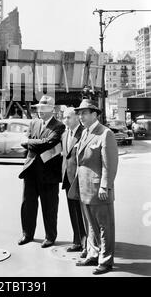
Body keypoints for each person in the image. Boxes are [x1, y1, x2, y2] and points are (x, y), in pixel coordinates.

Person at [68, 99, 118, 275]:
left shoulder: (105, 133)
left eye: (84, 113)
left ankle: (105, 261)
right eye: (79, 113)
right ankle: (93, 254)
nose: (80, 116)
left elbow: (109, 164)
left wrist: (105, 186)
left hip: (98, 189)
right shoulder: (85, 133)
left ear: (95, 114)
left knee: (104, 226)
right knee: (90, 225)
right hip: (84, 188)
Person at [18, 95, 65, 248]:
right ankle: (27, 234)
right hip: (31, 171)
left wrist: (29, 142)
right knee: (28, 205)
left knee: (49, 206)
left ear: (52, 109)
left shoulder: (59, 126)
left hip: (49, 174)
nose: (40, 111)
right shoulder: (34, 123)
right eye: (39, 108)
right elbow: (37, 143)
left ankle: (50, 237)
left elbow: (49, 143)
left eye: (44, 108)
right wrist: (33, 143)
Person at [62, 107, 87, 257]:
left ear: (77, 118)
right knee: (73, 211)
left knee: (83, 212)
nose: (65, 120)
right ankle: (77, 240)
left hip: (79, 179)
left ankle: (86, 243)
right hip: (67, 178)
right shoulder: (65, 134)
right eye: (64, 117)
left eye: (68, 117)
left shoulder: (84, 132)